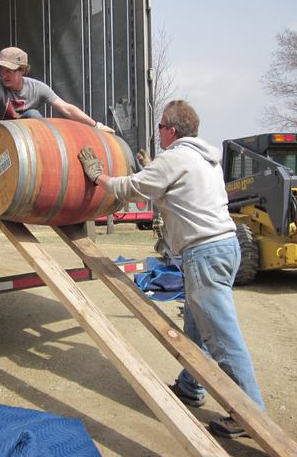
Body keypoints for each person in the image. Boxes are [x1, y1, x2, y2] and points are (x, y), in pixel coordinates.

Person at [77, 100, 265, 439]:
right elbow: (172, 190)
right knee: (196, 323)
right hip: (225, 246)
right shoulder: (203, 158)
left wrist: (99, 177)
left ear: (172, 130)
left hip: (204, 253)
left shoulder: (176, 158)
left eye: (161, 126)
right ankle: (191, 386)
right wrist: (152, 168)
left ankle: (251, 415)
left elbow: (133, 189)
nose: (158, 131)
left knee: (221, 336)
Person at [0, 47, 114, 137]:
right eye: (2, 70)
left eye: (9, 71)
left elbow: (66, 108)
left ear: (22, 70)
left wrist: (95, 125)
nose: (4, 75)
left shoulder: (37, 87)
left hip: (25, 140)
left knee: (33, 114)